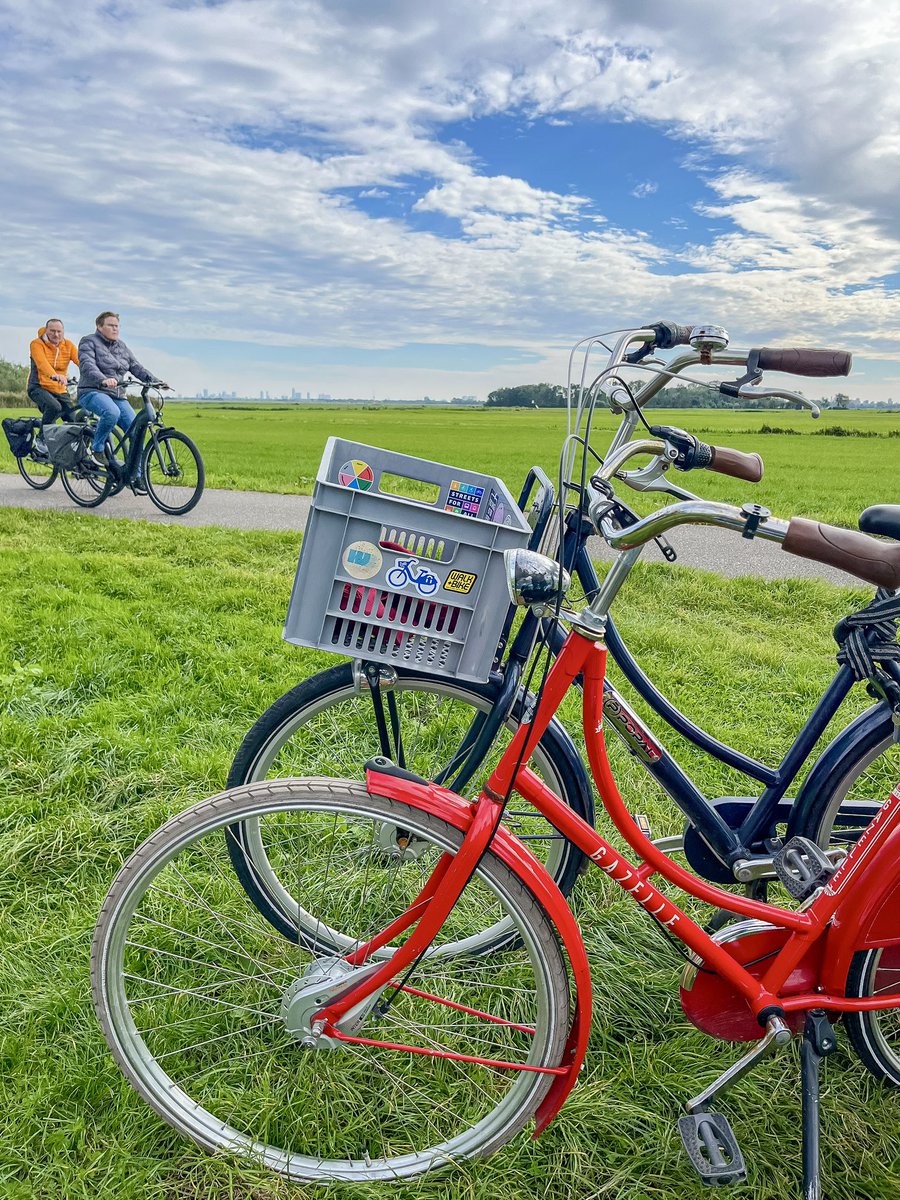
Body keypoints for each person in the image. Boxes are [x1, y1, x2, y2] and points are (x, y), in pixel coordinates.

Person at [77, 311, 167, 491]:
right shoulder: (88, 342)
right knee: (111, 412)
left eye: (117, 326)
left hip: (117, 394)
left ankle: (137, 477)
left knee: (137, 432)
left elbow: (136, 367)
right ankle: (97, 448)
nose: (115, 329)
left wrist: (156, 380)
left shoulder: (122, 347)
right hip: (93, 391)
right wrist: (103, 379)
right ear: (99, 327)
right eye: (111, 325)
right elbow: (87, 365)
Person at [28, 319, 79, 454]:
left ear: (63, 332)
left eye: (59, 331)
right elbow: (42, 363)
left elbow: (81, 361)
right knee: (54, 407)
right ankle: (41, 439)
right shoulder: (36, 344)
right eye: (52, 331)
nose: (56, 334)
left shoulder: (68, 345)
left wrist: (96, 375)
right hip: (39, 387)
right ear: (46, 330)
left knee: (73, 419)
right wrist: (54, 375)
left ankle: (70, 450)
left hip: (60, 389)